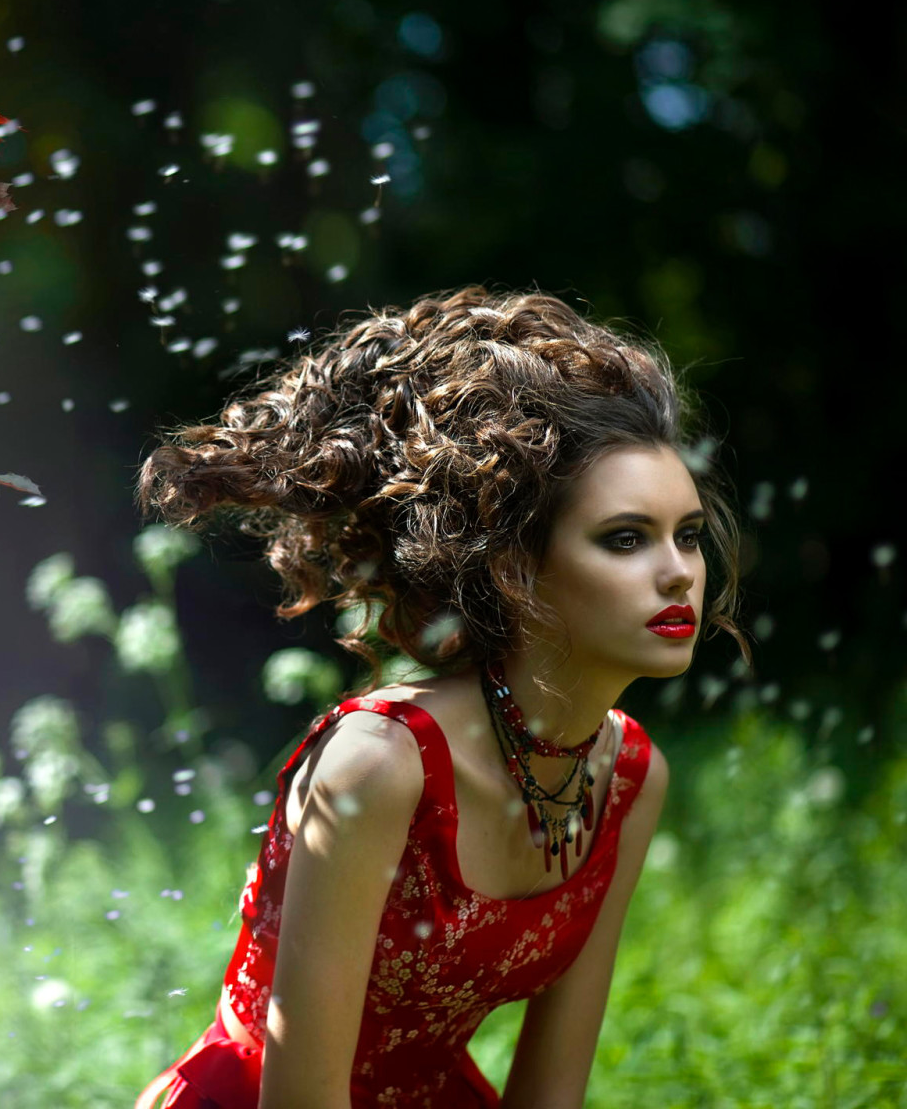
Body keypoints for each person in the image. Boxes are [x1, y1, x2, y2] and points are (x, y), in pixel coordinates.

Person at [130, 286, 751, 1109]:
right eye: (626, 538)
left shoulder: (632, 774)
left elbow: (551, 1091)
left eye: (688, 534)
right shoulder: (379, 765)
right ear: (516, 568)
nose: (678, 571)